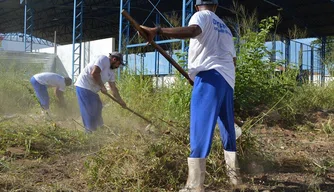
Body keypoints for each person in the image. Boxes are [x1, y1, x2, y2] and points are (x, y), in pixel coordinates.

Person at [139, 0, 241, 190]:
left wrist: (158, 31)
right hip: (227, 80)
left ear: (196, 6)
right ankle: (235, 179)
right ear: (216, 6)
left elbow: (193, 31)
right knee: (227, 127)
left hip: (210, 76)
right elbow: (232, 59)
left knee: (200, 126)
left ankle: (194, 185)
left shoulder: (201, 16)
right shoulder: (225, 28)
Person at [74, 52, 127, 133]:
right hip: (83, 86)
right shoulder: (103, 59)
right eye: (118, 63)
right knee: (89, 110)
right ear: (114, 59)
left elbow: (113, 88)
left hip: (93, 90)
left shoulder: (111, 72)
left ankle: (100, 128)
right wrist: (102, 86)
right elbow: (94, 73)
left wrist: (120, 100)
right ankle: (89, 132)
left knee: (98, 107)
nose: (118, 66)